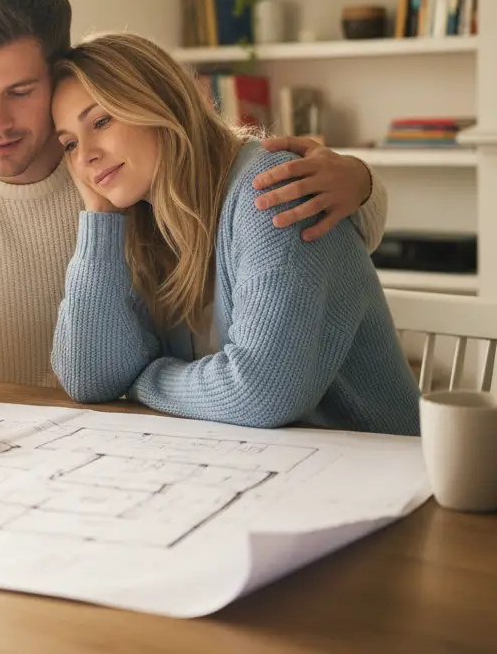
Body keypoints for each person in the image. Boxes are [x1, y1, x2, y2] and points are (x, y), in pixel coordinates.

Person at [0, 0, 389, 447]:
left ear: (58, 73)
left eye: (20, 92)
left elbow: (275, 210)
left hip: (146, 441)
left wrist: (362, 182)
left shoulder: (131, 177)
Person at [50, 32, 420, 435]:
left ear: (159, 102)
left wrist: (145, 380)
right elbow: (90, 377)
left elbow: (262, 391)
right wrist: (99, 216)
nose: (85, 155)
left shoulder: (271, 188)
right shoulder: (147, 224)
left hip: (379, 470)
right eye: (69, 144)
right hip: (260, 467)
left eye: (101, 121)